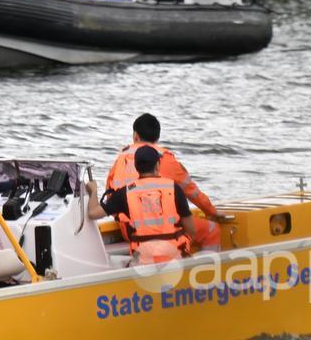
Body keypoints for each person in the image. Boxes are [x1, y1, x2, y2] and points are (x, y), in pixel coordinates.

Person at [104, 113, 222, 252]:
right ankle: (203, 270)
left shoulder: (120, 159)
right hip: (162, 230)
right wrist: (212, 212)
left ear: (135, 136)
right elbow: (192, 192)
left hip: (129, 230)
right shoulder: (165, 159)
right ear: (157, 137)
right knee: (212, 230)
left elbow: (109, 196)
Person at [86, 145, 197, 265]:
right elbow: (191, 230)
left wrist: (94, 190)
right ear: (157, 165)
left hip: (144, 262)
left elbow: (93, 213)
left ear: (136, 167)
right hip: (175, 258)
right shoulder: (173, 188)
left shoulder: (126, 193)